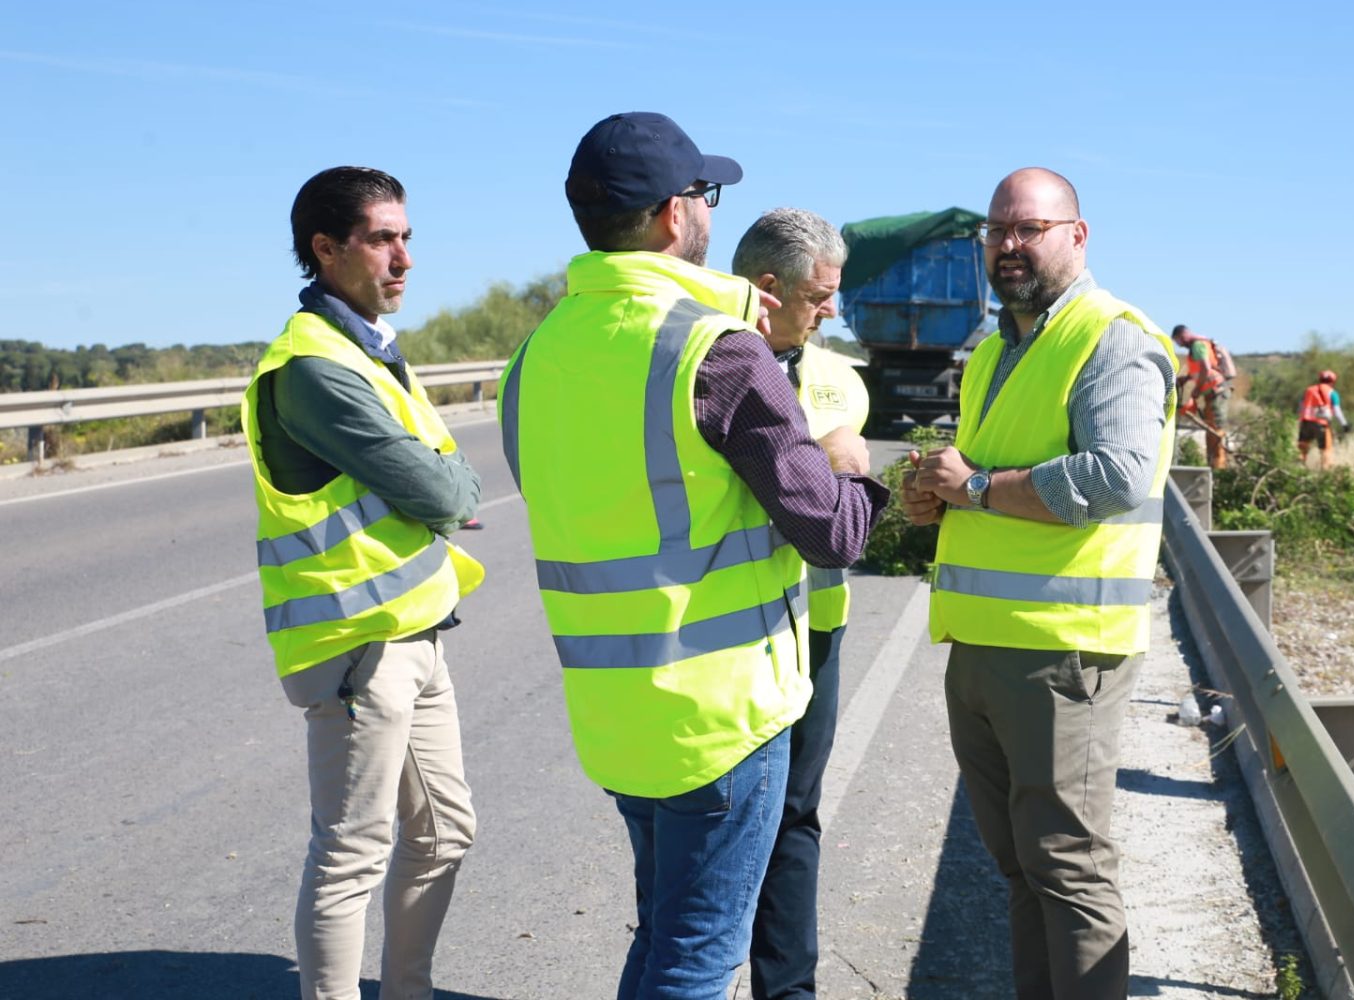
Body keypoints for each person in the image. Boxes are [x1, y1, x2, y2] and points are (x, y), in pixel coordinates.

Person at [498, 113, 887, 999]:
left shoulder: (537, 354)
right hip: (719, 715)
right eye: (705, 195)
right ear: (675, 216)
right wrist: (855, 472)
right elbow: (833, 531)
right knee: (700, 959)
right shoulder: (715, 348)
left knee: (665, 934)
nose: (709, 213)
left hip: (612, 711)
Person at [902, 167, 1177, 999]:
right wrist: (935, 493)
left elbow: (1120, 473)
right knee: (1022, 870)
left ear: (1077, 235)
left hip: (1065, 653)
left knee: (1068, 870)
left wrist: (976, 489)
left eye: (1029, 228)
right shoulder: (992, 351)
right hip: (984, 648)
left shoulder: (1113, 336)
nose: (1009, 245)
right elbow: (982, 474)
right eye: (997, 231)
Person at [243, 166, 485, 1000]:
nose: (404, 257)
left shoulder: (371, 354)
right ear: (326, 248)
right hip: (356, 647)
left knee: (446, 833)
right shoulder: (315, 368)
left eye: (407, 237)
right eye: (383, 238)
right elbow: (445, 489)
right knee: (351, 854)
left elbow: (444, 483)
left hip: (413, 632)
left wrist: (447, 491)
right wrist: (449, 494)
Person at [730, 207, 866, 1000]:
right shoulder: (712, 359)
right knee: (716, 829)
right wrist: (821, 460)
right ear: (768, 287)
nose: (833, 311)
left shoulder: (839, 378)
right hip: (731, 630)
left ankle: (788, 993)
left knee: (796, 818)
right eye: (821, 295)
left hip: (816, 625)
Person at [1171, 324, 1232, 469]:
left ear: (1183, 335)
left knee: (1216, 430)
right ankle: (1213, 465)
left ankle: (1219, 468)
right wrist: (1186, 379)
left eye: (1178, 341)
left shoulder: (1197, 345)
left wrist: (1197, 389)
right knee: (1211, 428)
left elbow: (1205, 367)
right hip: (1211, 394)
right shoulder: (1196, 347)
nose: (1179, 345)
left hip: (1216, 392)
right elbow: (1199, 370)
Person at [1297, 368, 1349, 467]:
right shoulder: (1332, 393)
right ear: (1333, 382)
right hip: (1322, 424)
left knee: (1302, 450)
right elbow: (1337, 412)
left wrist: (1301, 419)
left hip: (1306, 423)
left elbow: (1300, 407)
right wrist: (1344, 424)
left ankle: (1298, 469)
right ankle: (1325, 475)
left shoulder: (1309, 390)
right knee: (1326, 451)